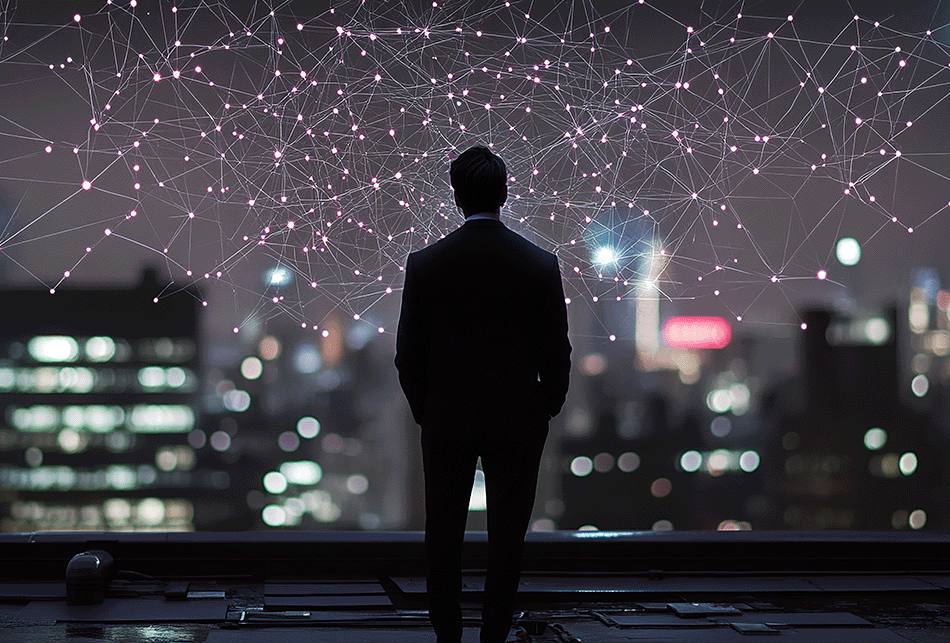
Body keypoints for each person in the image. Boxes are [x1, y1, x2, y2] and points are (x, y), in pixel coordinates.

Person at [395, 145, 572, 643]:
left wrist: (427, 411)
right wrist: (543, 409)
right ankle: (493, 634)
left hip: (447, 418)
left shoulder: (425, 264)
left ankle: (447, 636)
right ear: (505, 193)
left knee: (443, 534)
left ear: (455, 195)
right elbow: (556, 355)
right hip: (517, 421)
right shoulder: (539, 265)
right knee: (508, 538)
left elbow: (408, 355)